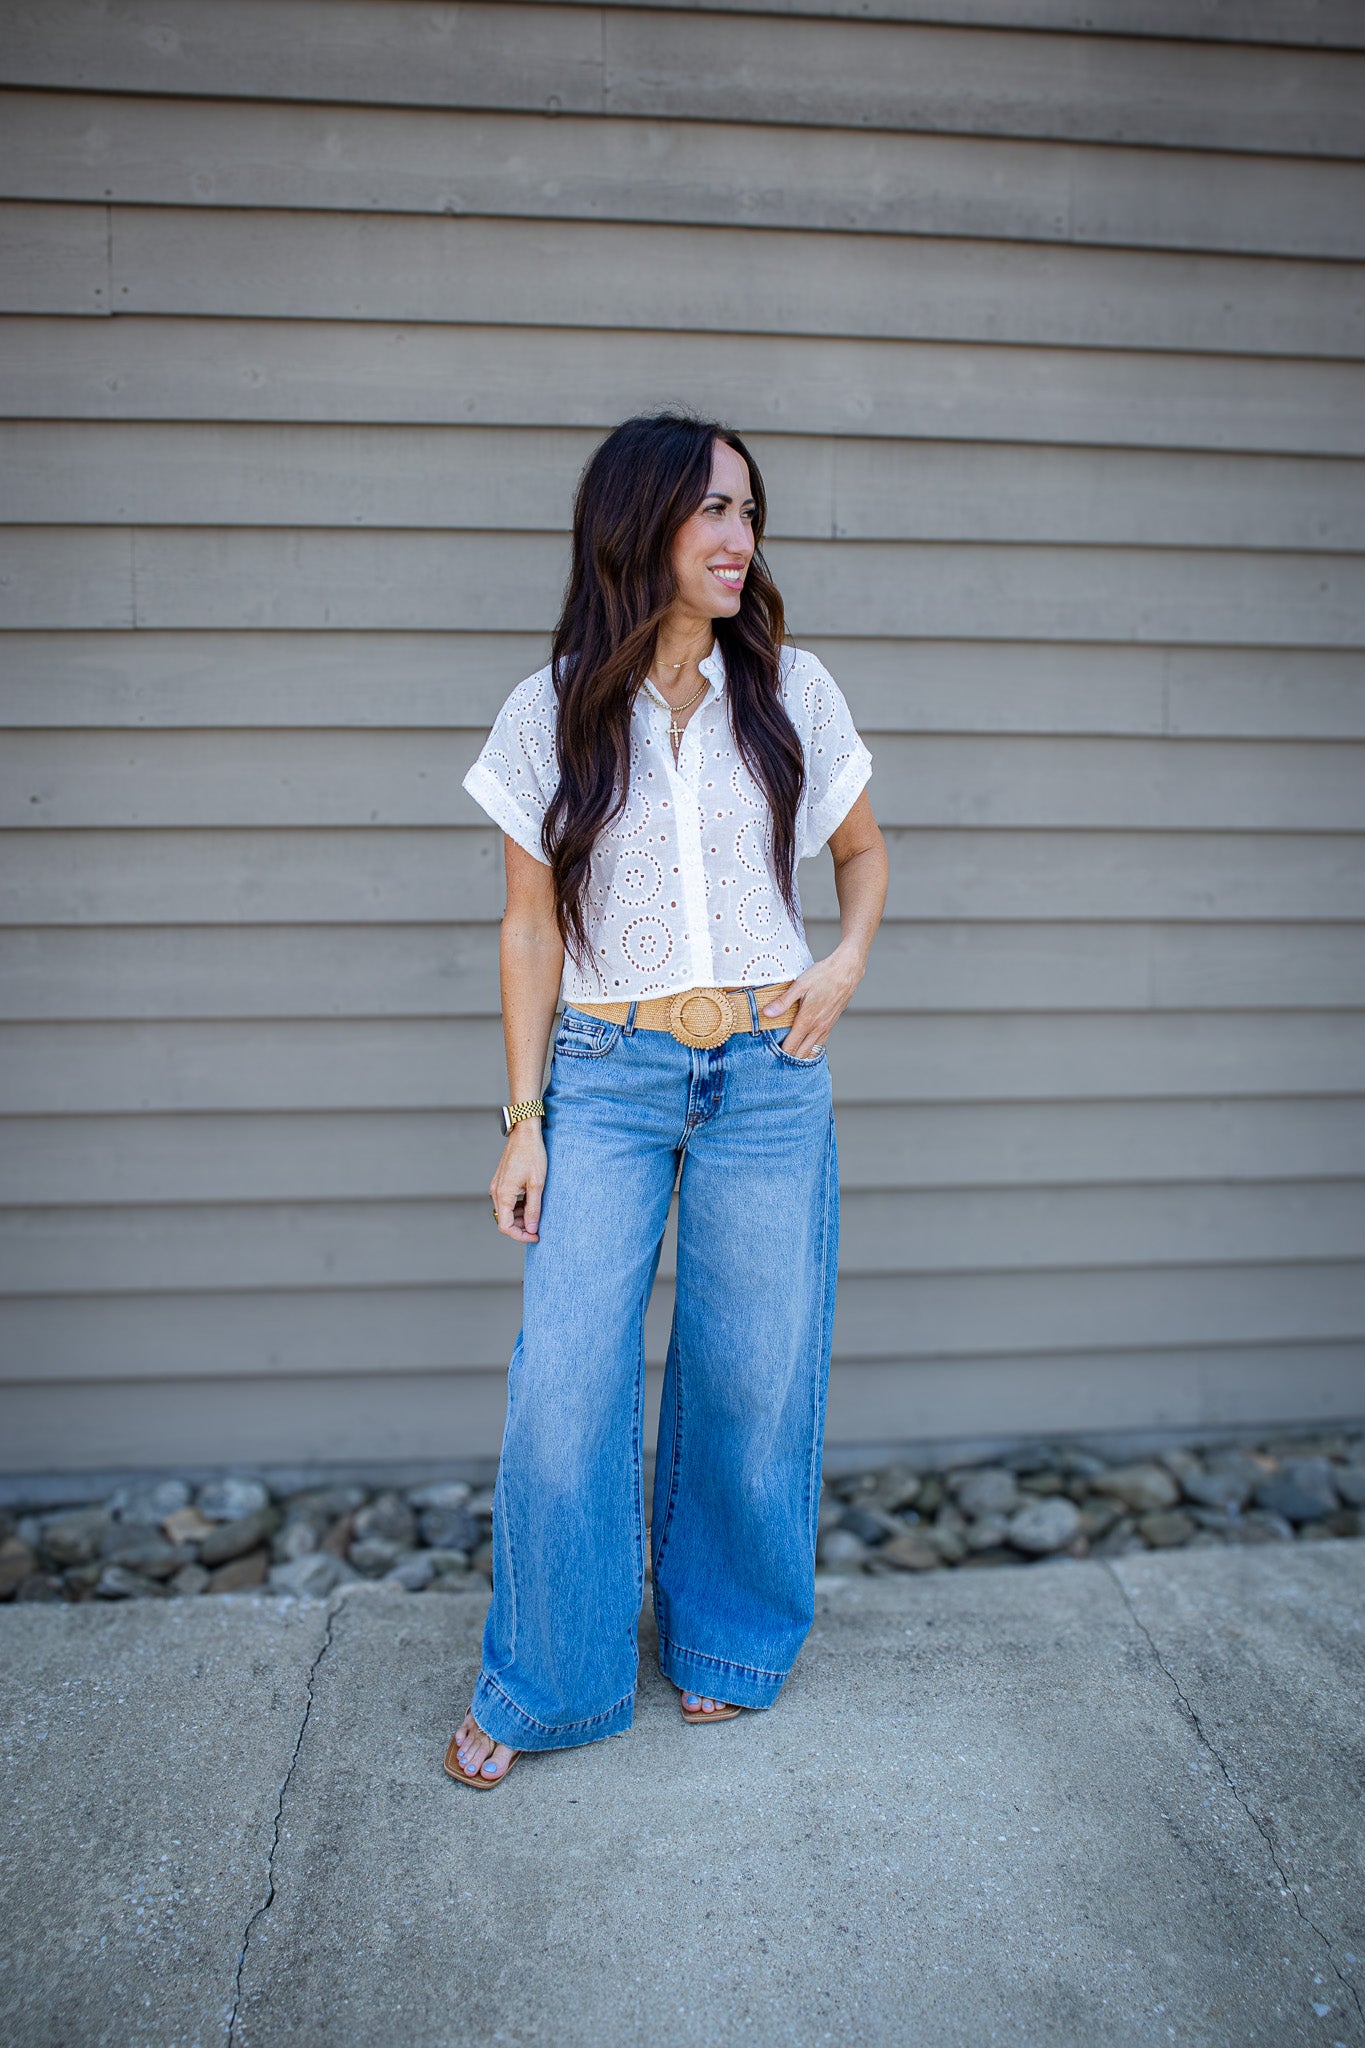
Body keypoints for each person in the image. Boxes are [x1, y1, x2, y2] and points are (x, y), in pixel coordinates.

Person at [446, 412, 887, 1788]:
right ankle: (550, 1678)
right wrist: (523, 1121)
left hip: (769, 1073)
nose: (737, 537)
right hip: (606, 1072)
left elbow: (863, 855)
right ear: (636, 526)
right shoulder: (548, 711)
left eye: (748, 511)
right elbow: (529, 929)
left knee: (753, 1368)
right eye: (711, 510)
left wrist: (844, 963)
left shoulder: (792, 690)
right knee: (566, 1380)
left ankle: (730, 1639)